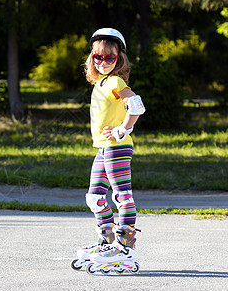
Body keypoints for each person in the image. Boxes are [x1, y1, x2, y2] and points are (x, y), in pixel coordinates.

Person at [71, 28, 145, 274]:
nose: (103, 62)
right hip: (104, 148)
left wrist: (123, 129)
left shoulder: (115, 81)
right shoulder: (102, 83)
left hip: (117, 147)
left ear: (119, 59)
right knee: (95, 197)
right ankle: (108, 241)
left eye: (109, 58)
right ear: (91, 58)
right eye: (97, 58)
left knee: (122, 196)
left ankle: (125, 246)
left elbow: (136, 104)